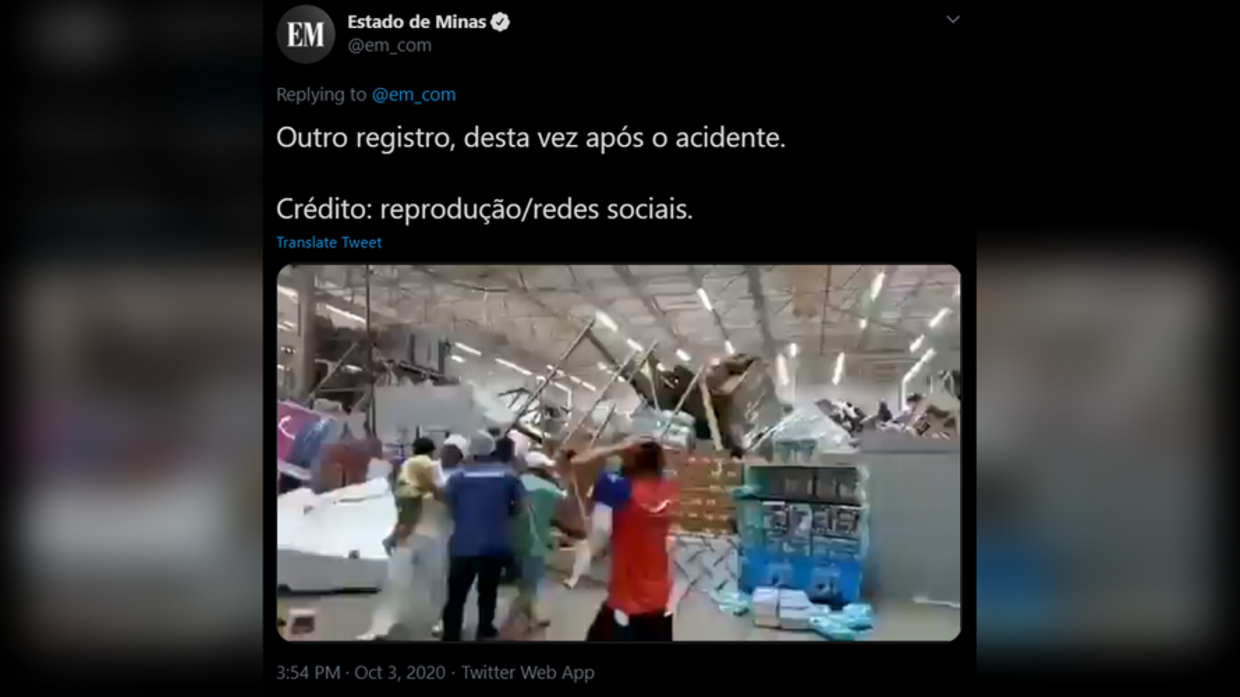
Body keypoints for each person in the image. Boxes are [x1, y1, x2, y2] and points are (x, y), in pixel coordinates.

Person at [571, 436, 679, 641]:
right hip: (659, 596)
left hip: (626, 599)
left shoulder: (620, 489)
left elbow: (578, 464)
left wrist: (615, 447)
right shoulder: (668, 490)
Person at [360, 437, 449, 640]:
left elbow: (409, 510)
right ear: (433, 452)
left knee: (396, 582)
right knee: (436, 584)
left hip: (410, 537)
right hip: (434, 538)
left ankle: (381, 627)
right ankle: (443, 621)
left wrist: (394, 535)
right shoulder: (439, 475)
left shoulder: (412, 470)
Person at [440, 431, 524, 641]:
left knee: (456, 593)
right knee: (488, 591)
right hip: (495, 543)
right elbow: (521, 506)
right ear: (492, 450)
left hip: (463, 544)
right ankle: (485, 627)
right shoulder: (508, 476)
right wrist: (504, 514)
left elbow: (448, 504)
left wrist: (462, 516)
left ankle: (451, 633)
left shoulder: (458, 477)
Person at [503, 451, 567, 637]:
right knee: (529, 588)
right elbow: (564, 512)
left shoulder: (511, 484)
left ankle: (534, 618)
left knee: (524, 585)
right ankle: (507, 626)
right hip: (534, 542)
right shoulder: (549, 488)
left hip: (508, 541)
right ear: (542, 468)